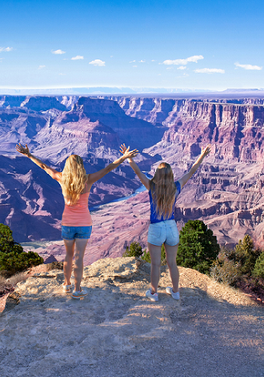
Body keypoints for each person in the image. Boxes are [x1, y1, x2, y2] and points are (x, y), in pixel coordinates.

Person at [16, 143, 138, 299]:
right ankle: (77, 289)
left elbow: (44, 167)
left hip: (67, 224)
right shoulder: (88, 180)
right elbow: (108, 168)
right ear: (81, 167)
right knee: (79, 257)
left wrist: (28, 155)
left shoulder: (61, 178)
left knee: (68, 255)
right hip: (84, 224)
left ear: (67, 166)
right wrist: (124, 157)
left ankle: (66, 285)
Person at [120, 143, 211, 302]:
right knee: (172, 263)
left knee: (155, 264)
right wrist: (202, 155)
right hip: (171, 227)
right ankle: (175, 292)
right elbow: (191, 171)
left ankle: (154, 293)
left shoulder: (151, 186)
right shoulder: (176, 187)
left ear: (157, 174)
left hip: (156, 228)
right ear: (170, 175)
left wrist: (129, 159)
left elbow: (138, 172)